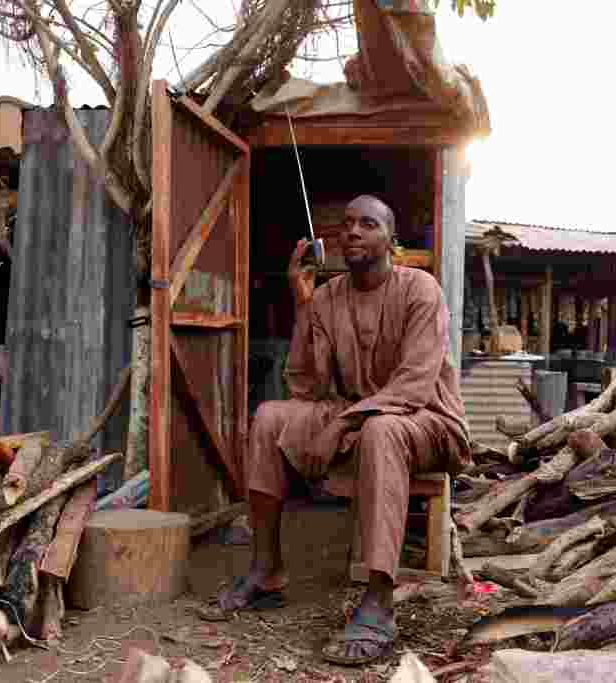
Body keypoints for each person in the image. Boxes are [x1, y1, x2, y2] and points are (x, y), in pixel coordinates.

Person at [198, 195, 471, 666]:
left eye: (368, 224)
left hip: (427, 418)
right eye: (346, 225)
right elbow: (305, 384)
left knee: (382, 431)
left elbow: (413, 384)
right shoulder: (329, 297)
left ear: (391, 239)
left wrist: (343, 422)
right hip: (357, 414)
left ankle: (379, 601)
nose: (353, 232)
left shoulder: (420, 289)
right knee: (268, 418)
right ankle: (267, 570)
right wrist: (302, 304)